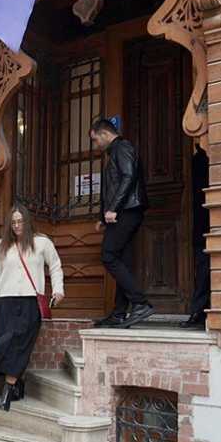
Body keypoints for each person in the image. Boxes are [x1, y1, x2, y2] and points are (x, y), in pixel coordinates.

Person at [0, 204, 64, 411]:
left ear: (27, 222)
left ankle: (8, 390)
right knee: (3, 343)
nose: (17, 226)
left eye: (20, 221)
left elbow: (55, 266)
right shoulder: (1, 246)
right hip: (5, 302)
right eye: (13, 222)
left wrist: (58, 290)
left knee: (20, 345)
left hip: (30, 303)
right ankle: (18, 384)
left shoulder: (42, 243)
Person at [91, 116, 154, 328]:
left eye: (95, 139)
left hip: (126, 211)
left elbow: (128, 177)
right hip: (123, 211)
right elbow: (115, 185)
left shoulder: (122, 147)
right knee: (122, 262)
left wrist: (113, 209)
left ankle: (140, 303)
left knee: (108, 255)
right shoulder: (116, 151)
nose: (96, 145)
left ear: (104, 134)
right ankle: (119, 313)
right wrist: (102, 217)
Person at [182, 146, 211, 328]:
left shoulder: (203, 158)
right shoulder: (198, 159)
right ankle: (199, 311)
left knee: (204, 268)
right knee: (202, 268)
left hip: (211, 219)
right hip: (202, 221)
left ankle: (199, 311)